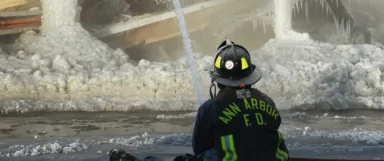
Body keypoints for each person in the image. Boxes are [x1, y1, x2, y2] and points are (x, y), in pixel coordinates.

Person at [110, 39, 289, 161]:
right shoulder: (267, 102)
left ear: (217, 80)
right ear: (250, 76)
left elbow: (200, 150)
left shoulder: (211, 108)